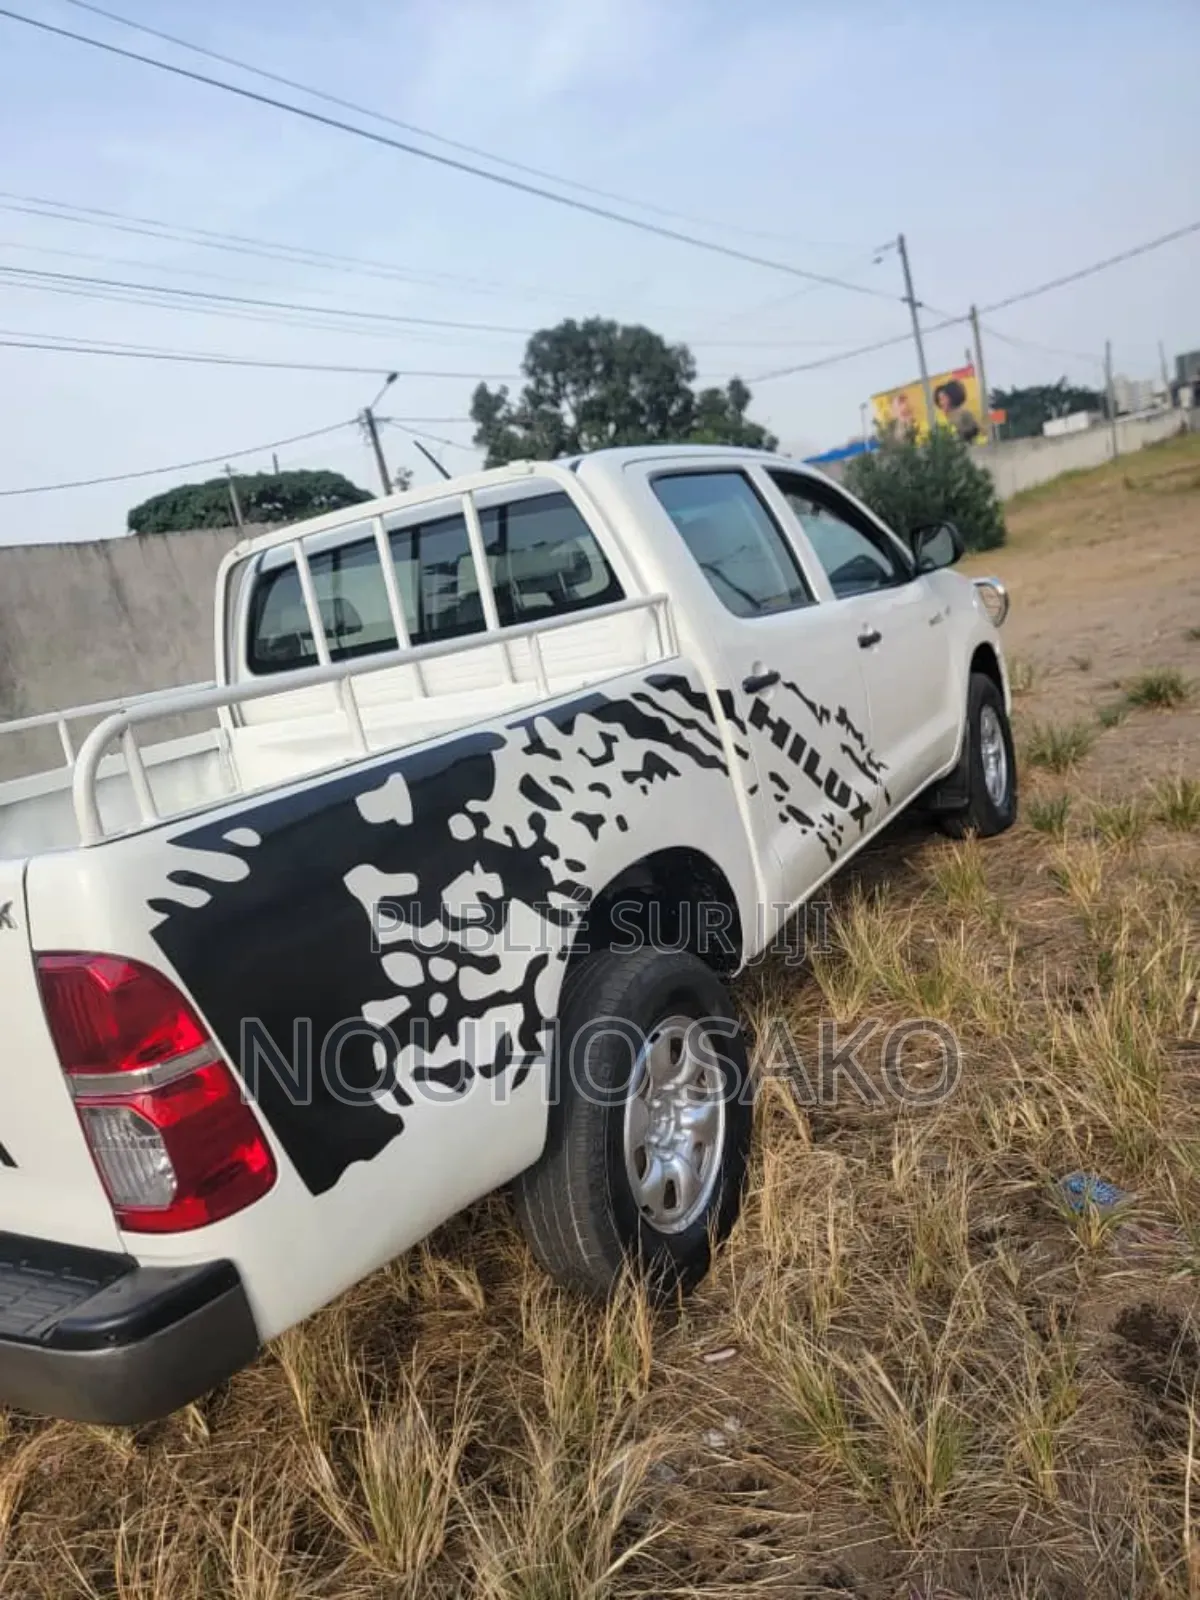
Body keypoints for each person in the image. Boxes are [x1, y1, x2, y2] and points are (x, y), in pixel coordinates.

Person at [934, 379, 981, 443]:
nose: (941, 402)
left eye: (944, 398)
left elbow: (975, 431)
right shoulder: (939, 418)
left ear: (952, 397)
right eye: (939, 399)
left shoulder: (964, 413)